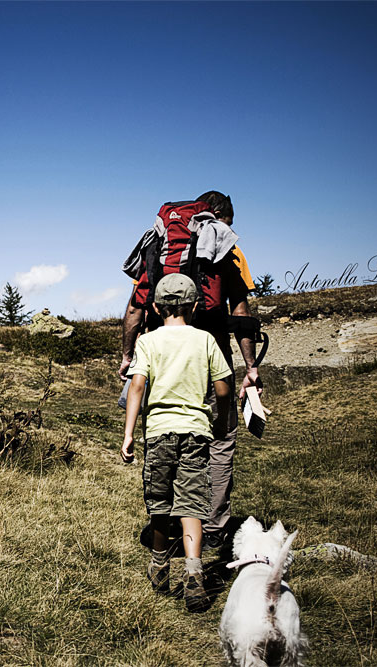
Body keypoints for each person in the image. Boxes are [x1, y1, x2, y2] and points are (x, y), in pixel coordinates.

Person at [119, 191, 260, 554]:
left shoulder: (159, 247)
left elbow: (135, 309)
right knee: (219, 442)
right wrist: (251, 367)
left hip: (161, 363)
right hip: (211, 362)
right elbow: (241, 313)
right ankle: (211, 528)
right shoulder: (227, 250)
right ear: (221, 217)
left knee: (164, 439)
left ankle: (164, 528)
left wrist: (127, 354)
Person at [121, 273, 232, 612]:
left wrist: (128, 433)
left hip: (158, 432)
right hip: (197, 432)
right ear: (196, 305)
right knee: (192, 501)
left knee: (159, 500)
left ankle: (159, 564)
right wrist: (221, 419)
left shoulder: (148, 342)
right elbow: (224, 386)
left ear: (155, 307)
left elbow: (137, 386)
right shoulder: (205, 340)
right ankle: (195, 572)